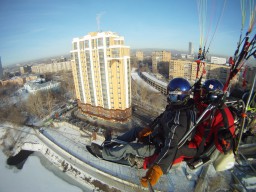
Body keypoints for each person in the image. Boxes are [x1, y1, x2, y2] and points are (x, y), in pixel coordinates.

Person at [101, 77, 196, 187]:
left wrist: (157, 169)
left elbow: (171, 146)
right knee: (136, 130)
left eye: (172, 95)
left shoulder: (181, 117)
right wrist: (149, 128)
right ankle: (114, 143)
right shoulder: (176, 107)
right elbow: (161, 117)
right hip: (157, 137)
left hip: (159, 148)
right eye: (169, 94)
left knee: (129, 147)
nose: (169, 98)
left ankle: (106, 153)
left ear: (182, 95)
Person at [169, 79, 236, 168]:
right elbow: (197, 101)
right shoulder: (205, 104)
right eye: (202, 92)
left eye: (204, 92)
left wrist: (224, 138)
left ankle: (160, 165)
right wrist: (197, 90)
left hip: (198, 144)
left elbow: (225, 145)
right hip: (191, 131)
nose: (202, 95)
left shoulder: (220, 114)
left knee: (175, 149)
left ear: (213, 95)